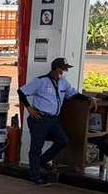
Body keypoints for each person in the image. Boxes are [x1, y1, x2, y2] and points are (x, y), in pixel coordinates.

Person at [18, 57, 97, 185]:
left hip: (54, 120)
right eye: (63, 69)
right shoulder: (41, 81)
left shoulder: (63, 82)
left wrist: (88, 98)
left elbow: (73, 94)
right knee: (36, 147)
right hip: (40, 118)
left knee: (63, 140)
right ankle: (35, 175)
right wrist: (29, 108)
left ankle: (42, 161)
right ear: (56, 68)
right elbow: (21, 92)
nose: (65, 71)